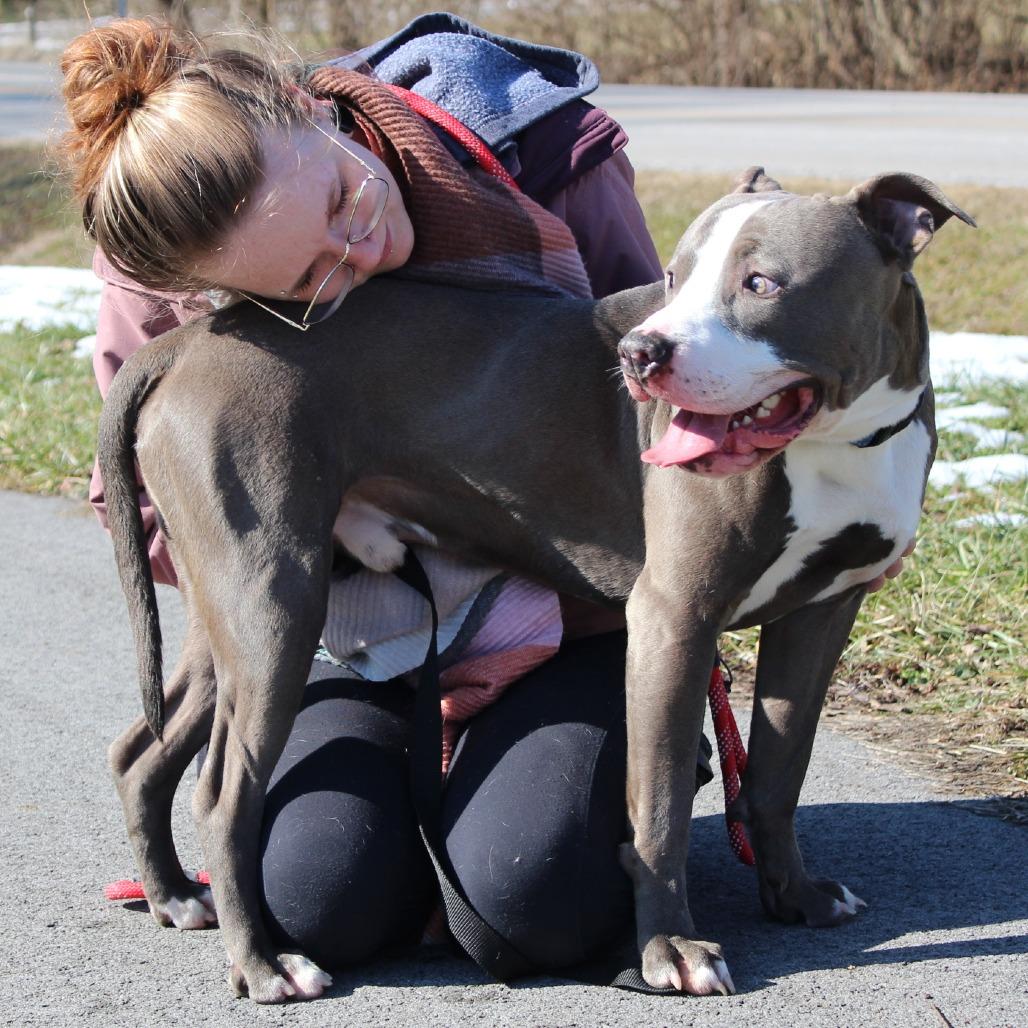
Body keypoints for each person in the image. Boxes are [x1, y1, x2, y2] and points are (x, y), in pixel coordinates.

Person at [60, 13, 908, 986]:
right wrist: (318, 513)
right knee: (317, 897)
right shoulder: (157, 252)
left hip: (571, 610)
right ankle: (377, 834)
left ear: (307, 104)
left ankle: (480, 827)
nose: (359, 248)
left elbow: (688, 385)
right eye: (304, 284)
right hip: (357, 634)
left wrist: (844, 510)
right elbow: (178, 537)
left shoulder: (543, 149)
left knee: (536, 897)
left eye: (342, 194)